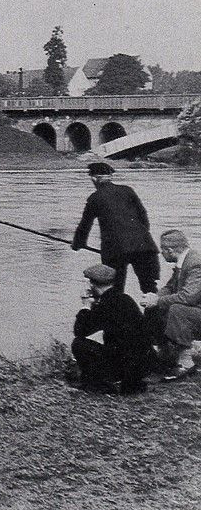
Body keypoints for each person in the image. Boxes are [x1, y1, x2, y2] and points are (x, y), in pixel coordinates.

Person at [71, 162, 159, 294]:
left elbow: (85, 225)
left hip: (115, 250)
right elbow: (144, 218)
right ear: (110, 177)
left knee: (114, 290)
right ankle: (154, 314)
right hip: (145, 246)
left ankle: (117, 314)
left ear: (94, 178)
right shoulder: (128, 190)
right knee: (149, 289)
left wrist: (77, 244)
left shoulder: (95, 198)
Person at [71, 264, 154, 394]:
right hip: (143, 363)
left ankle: (98, 384)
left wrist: (86, 305)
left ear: (92, 285)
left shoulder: (105, 303)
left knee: (79, 344)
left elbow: (80, 331)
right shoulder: (125, 298)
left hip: (125, 365)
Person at [141, 230, 201, 380]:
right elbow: (170, 287)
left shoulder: (195, 264)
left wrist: (158, 301)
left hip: (195, 310)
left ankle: (184, 359)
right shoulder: (184, 261)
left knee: (177, 309)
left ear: (170, 250)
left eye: (162, 250)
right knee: (154, 307)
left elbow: (188, 297)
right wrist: (154, 297)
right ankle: (164, 351)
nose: (161, 253)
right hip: (196, 310)